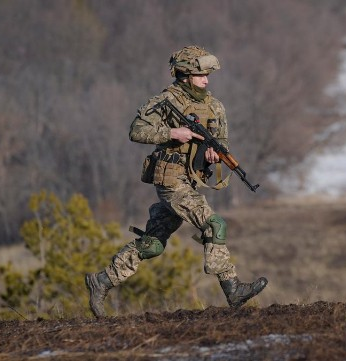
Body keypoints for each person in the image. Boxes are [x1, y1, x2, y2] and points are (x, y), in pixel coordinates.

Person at [85, 45, 267, 318]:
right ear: (184, 74)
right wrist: (172, 132)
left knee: (153, 244)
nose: (206, 79)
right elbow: (136, 130)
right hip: (170, 180)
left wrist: (214, 154)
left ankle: (102, 281)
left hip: (190, 180)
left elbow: (222, 142)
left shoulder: (215, 106)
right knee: (214, 224)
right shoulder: (166, 100)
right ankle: (232, 289)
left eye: (207, 74)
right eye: (200, 74)